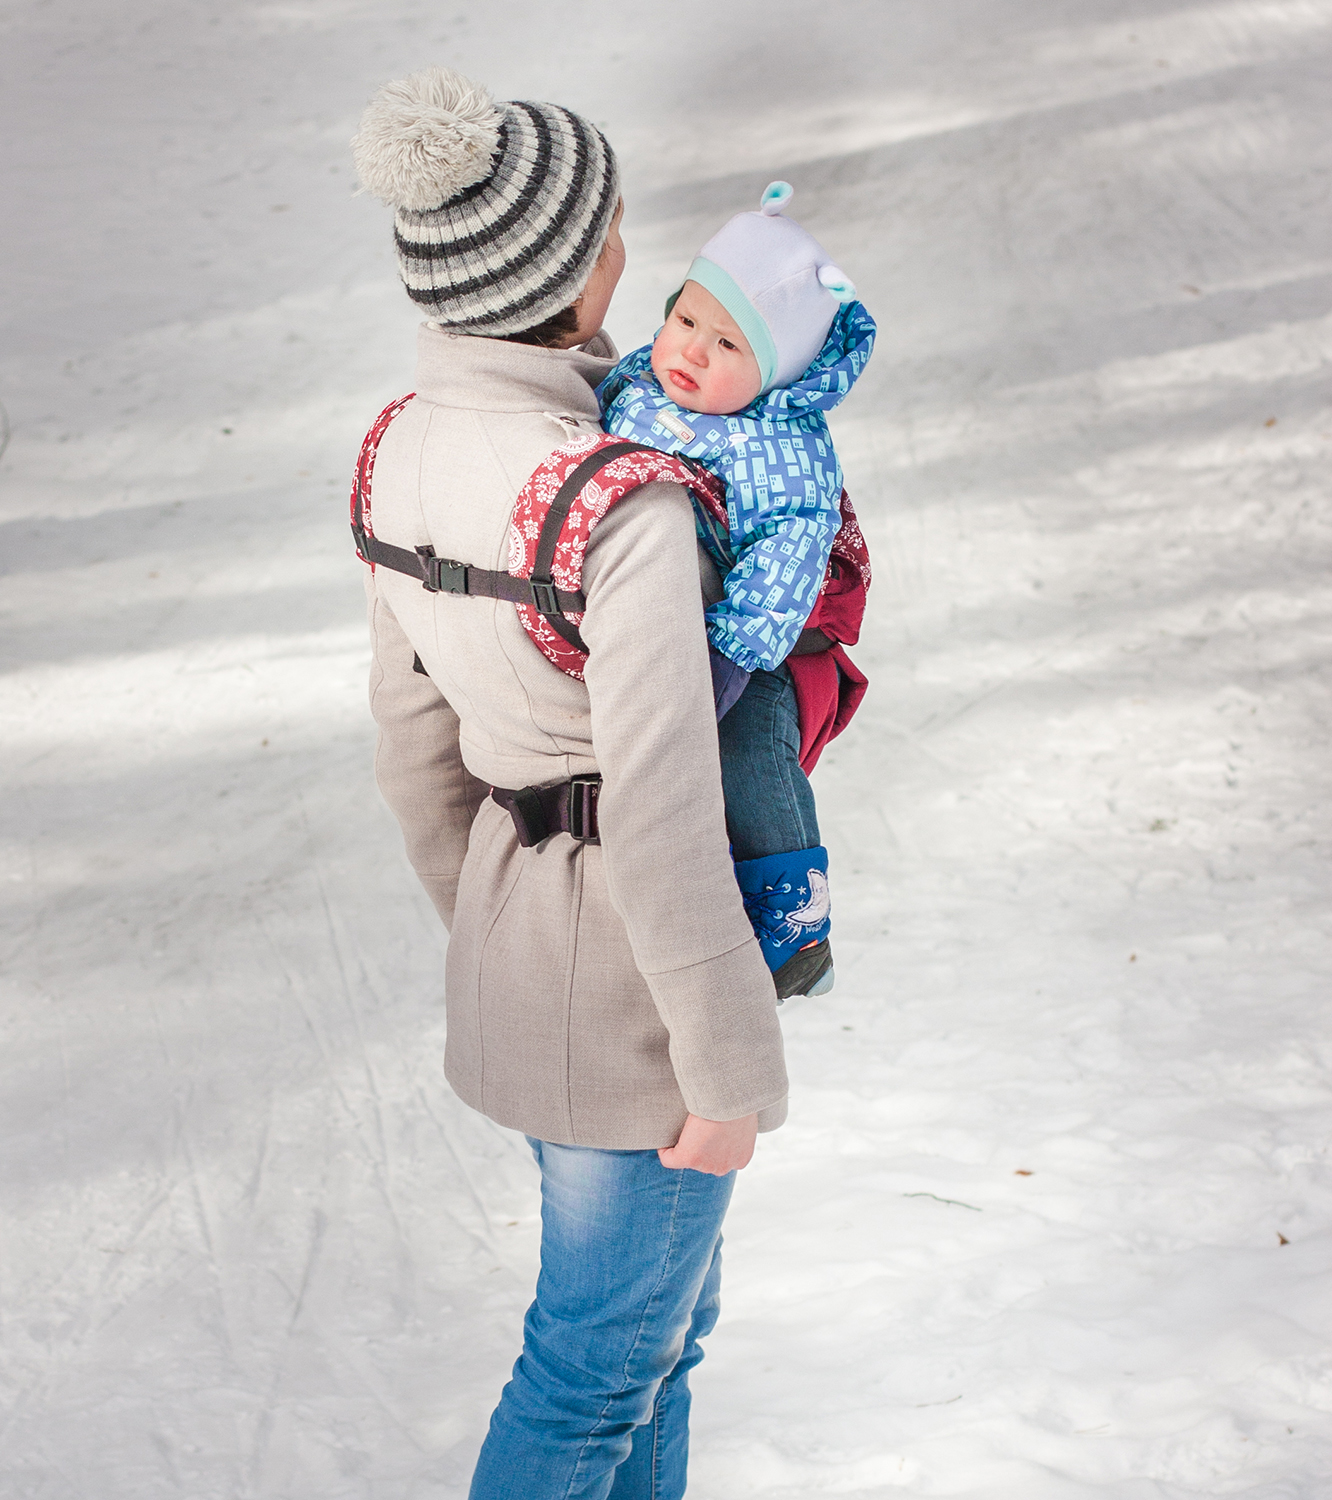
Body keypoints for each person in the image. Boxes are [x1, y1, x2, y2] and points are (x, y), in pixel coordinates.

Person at [350, 67, 789, 1499]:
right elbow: (661, 810)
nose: (628, 255)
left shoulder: (396, 452)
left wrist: (495, 925)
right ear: (573, 264)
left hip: (521, 947)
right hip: (639, 996)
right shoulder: (622, 501)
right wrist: (729, 1067)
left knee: (653, 1347)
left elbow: (416, 758)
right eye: (613, 228)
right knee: (596, 1372)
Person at [597, 185, 876, 1000]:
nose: (689, 350)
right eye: (685, 319)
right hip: (653, 610)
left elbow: (788, 565)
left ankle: (797, 921)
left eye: (727, 344)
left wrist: (732, 654)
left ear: (775, 370)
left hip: (757, 644)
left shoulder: (785, 452)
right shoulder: (638, 381)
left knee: (749, 748)